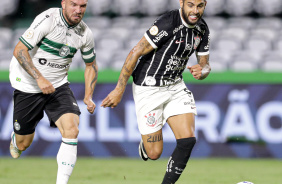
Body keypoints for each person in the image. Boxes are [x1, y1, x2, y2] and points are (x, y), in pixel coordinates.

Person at [101, 0, 210, 183]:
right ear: (181, 3)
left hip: (175, 86)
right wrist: (119, 89)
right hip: (148, 88)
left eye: (200, 6)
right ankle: (146, 145)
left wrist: (203, 70)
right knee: (154, 153)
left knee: (187, 140)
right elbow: (136, 52)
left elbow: (205, 65)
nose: (195, 10)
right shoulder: (168, 22)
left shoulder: (202, 28)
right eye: (190, 5)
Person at [9, 0, 98, 183]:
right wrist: (39, 78)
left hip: (58, 85)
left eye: (83, 6)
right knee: (23, 144)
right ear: (63, 3)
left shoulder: (85, 33)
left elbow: (91, 65)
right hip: (28, 84)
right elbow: (19, 50)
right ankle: (17, 139)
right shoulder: (48, 19)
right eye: (74, 4)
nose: (78, 10)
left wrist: (88, 95)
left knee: (72, 130)